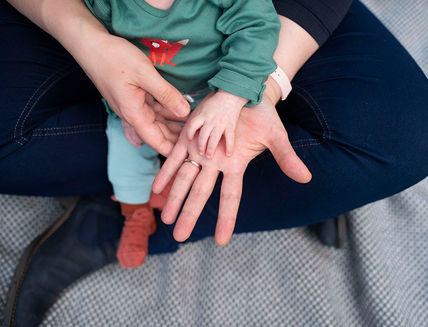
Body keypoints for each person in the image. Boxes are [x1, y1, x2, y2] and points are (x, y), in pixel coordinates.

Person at [1, 0, 428, 255]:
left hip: (245, 50)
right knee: (128, 146)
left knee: (405, 138)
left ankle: (148, 217)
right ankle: (136, 203)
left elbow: (254, 27)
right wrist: (89, 44)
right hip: (136, 66)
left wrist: (249, 92)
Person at [83, 0, 281, 268]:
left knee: (217, 151)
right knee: (123, 148)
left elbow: (258, 27)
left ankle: (173, 190)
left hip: (216, 89)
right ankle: (135, 210)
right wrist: (121, 104)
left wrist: (230, 97)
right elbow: (100, 56)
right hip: (145, 95)